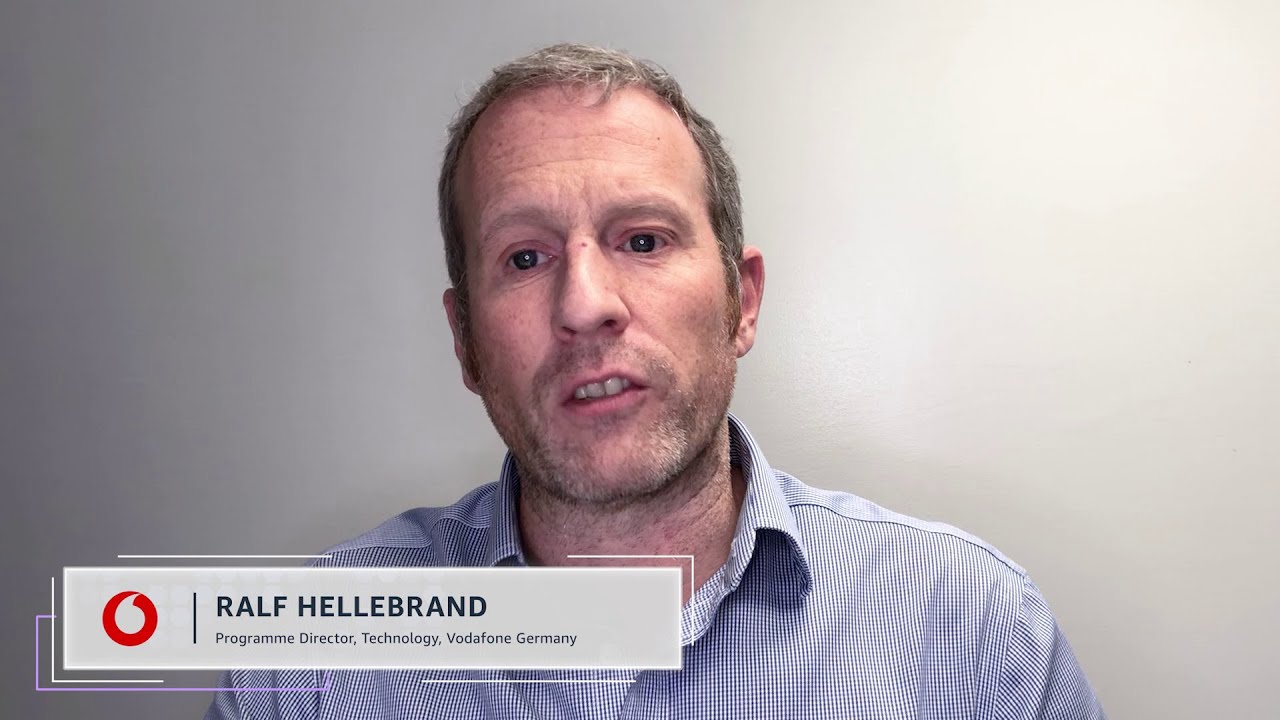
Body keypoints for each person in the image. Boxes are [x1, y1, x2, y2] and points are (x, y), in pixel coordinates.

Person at [207, 43, 1105, 719]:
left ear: (741, 303)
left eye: (643, 239)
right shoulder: (305, 671)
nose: (586, 304)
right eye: (525, 257)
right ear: (466, 343)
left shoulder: (977, 632)